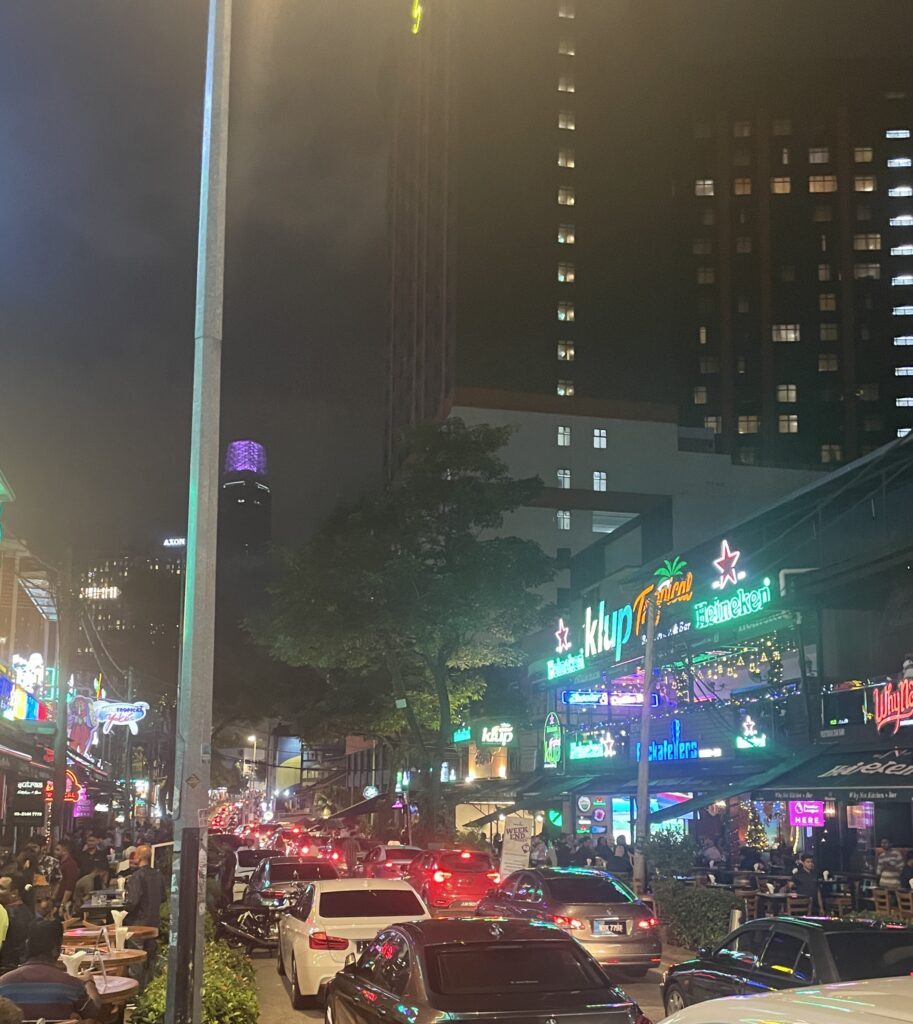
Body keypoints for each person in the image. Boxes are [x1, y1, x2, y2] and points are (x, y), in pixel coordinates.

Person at [0, 919, 101, 1021]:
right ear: (55, 950)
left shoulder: (3, 984)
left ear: (27, 945)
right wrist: (89, 982)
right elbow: (93, 1013)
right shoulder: (72, 985)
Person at [124, 844, 165, 987]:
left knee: (136, 959)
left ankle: (136, 991)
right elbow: (163, 897)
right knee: (150, 958)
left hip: (138, 924)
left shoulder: (136, 877)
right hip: (154, 922)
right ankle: (149, 990)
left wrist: (123, 908)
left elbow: (132, 902)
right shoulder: (158, 875)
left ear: (138, 857)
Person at [0, 876, 36, 971]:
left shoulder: (7, 914)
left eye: (1, 888)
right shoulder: (28, 912)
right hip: (23, 966)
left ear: (14, 894)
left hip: (7, 969)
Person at [53, 840, 80, 918]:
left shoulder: (70, 865)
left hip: (64, 901)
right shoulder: (60, 863)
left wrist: (62, 905)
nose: (55, 852)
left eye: (58, 850)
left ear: (65, 851)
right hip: (58, 899)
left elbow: (69, 887)